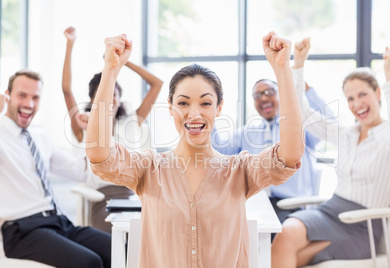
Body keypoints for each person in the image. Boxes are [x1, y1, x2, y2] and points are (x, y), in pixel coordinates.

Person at [86, 31, 303, 267]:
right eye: (183, 103)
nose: (195, 114)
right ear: (170, 108)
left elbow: (290, 154)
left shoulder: (239, 171)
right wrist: (110, 70)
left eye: (206, 103)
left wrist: (283, 70)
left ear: (219, 108)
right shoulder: (149, 169)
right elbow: (99, 153)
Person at [271, 44, 390, 267]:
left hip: (362, 226)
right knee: (285, 234)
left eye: (363, 95)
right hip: (330, 211)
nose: (357, 104)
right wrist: (299, 65)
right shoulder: (347, 134)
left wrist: (389, 75)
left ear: (378, 93)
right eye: (350, 99)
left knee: (298, 257)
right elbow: (304, 114)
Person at [214, 37, 332, 226]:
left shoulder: (301, 129)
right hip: (255, 205)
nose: (263, 98)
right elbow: (217, 151)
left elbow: (329, 125)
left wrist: (298, 82)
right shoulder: (247, 133)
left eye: (269, 92)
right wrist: (208, 110)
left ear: (282, 93)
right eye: (257, 96)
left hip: (290, 207)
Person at [0, 70, 111, 267]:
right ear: (7, 96)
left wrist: (87, 133)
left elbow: (80, 172)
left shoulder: (38, 138)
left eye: (35, 97)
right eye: (22, 95)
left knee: (117, 247)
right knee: (89, 262)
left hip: (58, 222)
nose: (29, 104)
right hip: (22, 230)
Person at [62, 26, 163, 232]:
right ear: (94, 99)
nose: (110, 98)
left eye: (113, 93)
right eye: (104, 93)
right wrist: (69, 45)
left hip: (133, 197)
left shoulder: (131, 122)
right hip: (102, 200)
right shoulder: (84, 125)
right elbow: (66, 90)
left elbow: (157, 84)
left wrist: (120, 61)